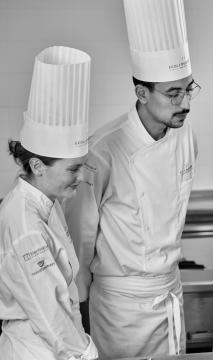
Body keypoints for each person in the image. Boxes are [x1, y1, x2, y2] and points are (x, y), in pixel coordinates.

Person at [63, 0, 199, 357]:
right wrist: (80, 308)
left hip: (169, 292)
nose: (184, 102)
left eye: (188, 89)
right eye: (173, 93)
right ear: (141, 93)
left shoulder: (185, 138)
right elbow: (80, 239)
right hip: (120, 309)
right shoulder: (103, 152)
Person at [0, 46, 98, 360]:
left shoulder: (45, 202)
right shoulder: (26, 224)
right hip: (38, 349)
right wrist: (84, 355)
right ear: (39, 167)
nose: (81, 177)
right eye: (73, 168)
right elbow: (49, 312)